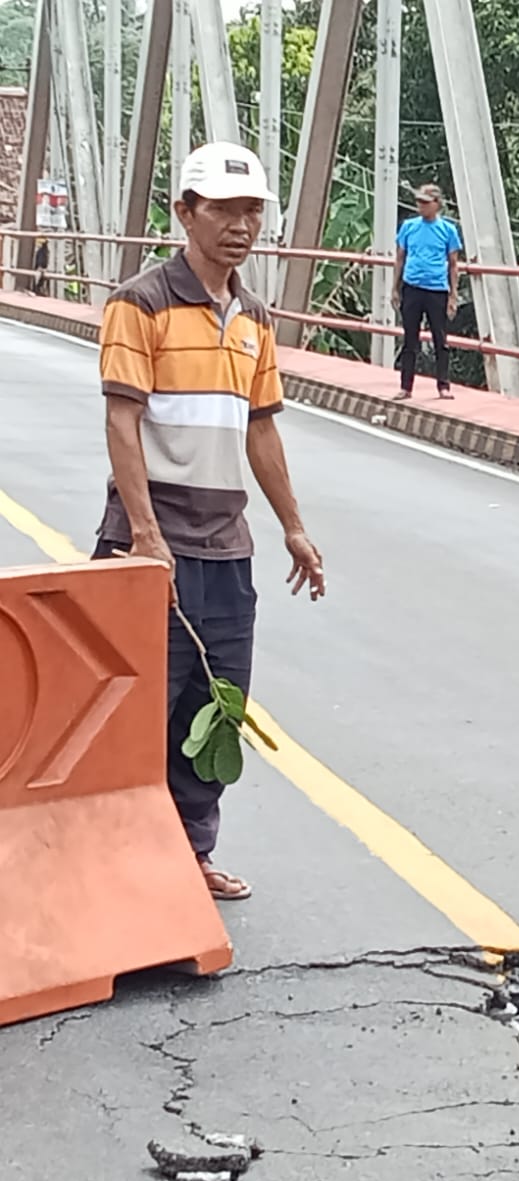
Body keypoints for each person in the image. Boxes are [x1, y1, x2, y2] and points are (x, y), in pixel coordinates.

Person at [93, 142, 326, 902]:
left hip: (226, 546)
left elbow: (261, 429)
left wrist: (292, 525)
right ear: (184, 212)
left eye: (251, 209)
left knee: (215, 709)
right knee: (132, 715)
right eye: (222, 209)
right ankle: (117, 864)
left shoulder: (253, 318)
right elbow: (122, 420)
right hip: (151, 542)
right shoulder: (141, 303)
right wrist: (144, 537)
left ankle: (188, 859)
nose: (240, 224)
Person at [391, 183, 463, 400]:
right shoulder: (409, 227)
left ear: (437, 205)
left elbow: (453, 264)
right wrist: (395, 289)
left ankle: (443, 385)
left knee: (440, 340)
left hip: (436, 289)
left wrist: (452, 295)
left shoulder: (448, 230)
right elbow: (400, 258)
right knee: (409, 339)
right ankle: (406, 386)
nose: (420, 207)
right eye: (419, 203)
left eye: (425, 203)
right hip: (412, 287)